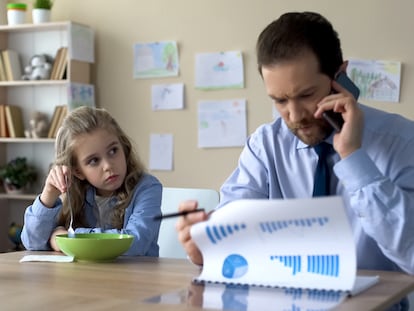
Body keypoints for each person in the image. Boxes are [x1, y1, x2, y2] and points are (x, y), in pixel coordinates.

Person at [176, 11, 414, 310]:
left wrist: (352, 157)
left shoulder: (404, 142)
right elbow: (232, 237)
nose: (294, 115)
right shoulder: (265, 146)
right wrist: (206, 247)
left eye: (306, 94)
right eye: (279, 100)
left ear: (339, 77)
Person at [21, 106, 162, 256]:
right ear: (78, 171)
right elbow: (32, 242)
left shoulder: (147, 187)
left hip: (136, 278)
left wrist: (65, 238)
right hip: (84, 278)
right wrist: (48, 194)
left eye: (113, 151)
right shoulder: (75, 193)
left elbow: (135, 243)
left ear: (124, 148)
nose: (108, 166)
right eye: (94, 160)